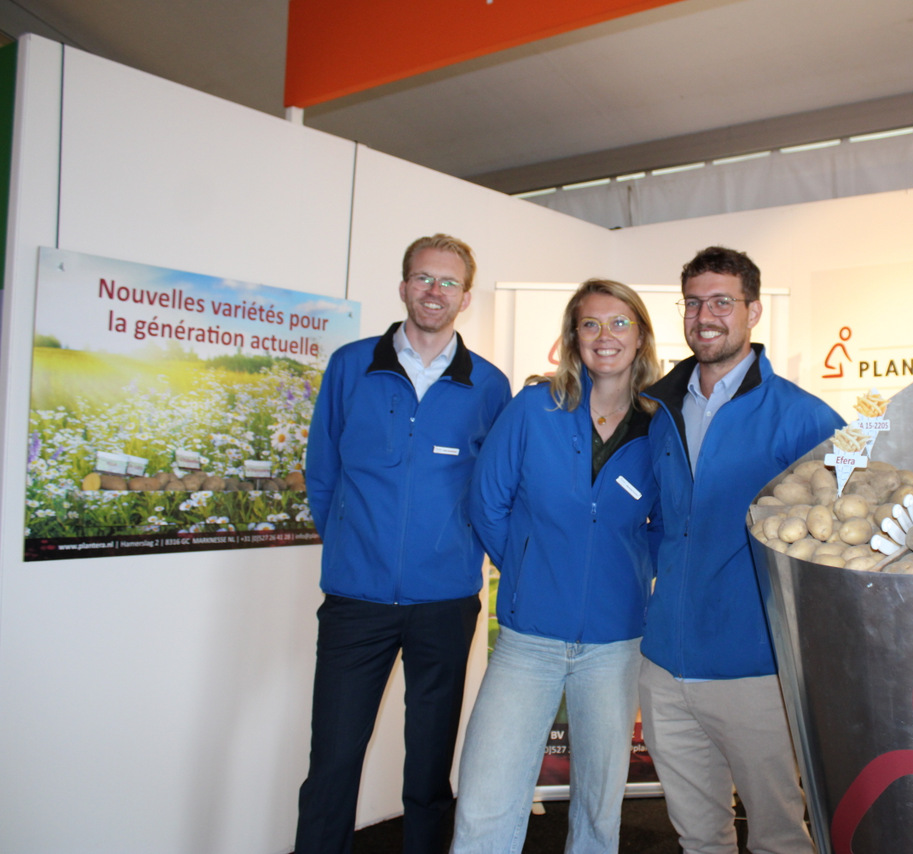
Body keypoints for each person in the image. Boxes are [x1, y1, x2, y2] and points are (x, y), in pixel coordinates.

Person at [296, 234, 512, 854]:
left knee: (428, 770)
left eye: (448, 282)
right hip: (355, 602)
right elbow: (322, 471)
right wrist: (348, 546)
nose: (434, 292)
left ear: (465, 296)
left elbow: (495, 489)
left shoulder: (489, 386)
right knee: (333, 762)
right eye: (423, 278)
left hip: (444, 603)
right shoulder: (351, 366)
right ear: (403, 286)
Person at [639, 246, 844, 854]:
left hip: (756, 668)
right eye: (694, 302)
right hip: (665, 664)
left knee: (779, 835)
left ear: (753, 311)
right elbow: (659, 522)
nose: (705, 316)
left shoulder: (803, 418)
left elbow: (842, 542)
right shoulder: (660, 410)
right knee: (698, 837)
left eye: (722, 302)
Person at [450, 278, 662, 854]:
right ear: (573, 337)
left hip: (615, 643)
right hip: (529, 639)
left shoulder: (660, 425)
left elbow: (667, 524)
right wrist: (527, 570)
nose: (604, 335)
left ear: (641, 336)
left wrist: (630, 576)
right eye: (590, 323)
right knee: (486, 797)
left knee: (598, 808)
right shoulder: (534, 407)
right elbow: (487, 502)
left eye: (619, 322)